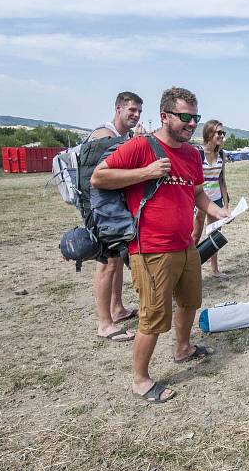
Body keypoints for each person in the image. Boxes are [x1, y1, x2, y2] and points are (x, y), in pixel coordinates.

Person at [92, 86, 229, 404]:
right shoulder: (141, 146)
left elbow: (196, 193)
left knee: (190, 301)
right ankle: (140, 379)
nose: (192, 123)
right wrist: (146, 172)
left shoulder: (192, 154)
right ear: (165, 115)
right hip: (150, 249)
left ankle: (183, 348)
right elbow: (99, 177)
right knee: (153, 316)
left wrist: (218, 211)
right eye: (185, 117)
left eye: (195, 117)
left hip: (186, 245)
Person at [89, 91, 146, 343]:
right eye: (131, 110)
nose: (135, 115)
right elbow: (100, 178)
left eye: (139, 111)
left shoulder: (122, 137)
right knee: (106, 264)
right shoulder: (104, 135)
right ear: (118, 108)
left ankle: (117, 308)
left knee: (116, 261)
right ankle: (104, 323)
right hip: (101, 211)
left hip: (114, 209)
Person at [197, 119, 231, 279]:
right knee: (194, 236)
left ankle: (215, 269)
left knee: (214, 235)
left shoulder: (222, 155)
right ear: (209, 133)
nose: (222, 135)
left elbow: (222, 180)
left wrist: (226, 204)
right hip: (199, 200)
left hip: (216, 200)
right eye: (219, 132)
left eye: (223, 133)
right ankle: (191, 269)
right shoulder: (198, 154)